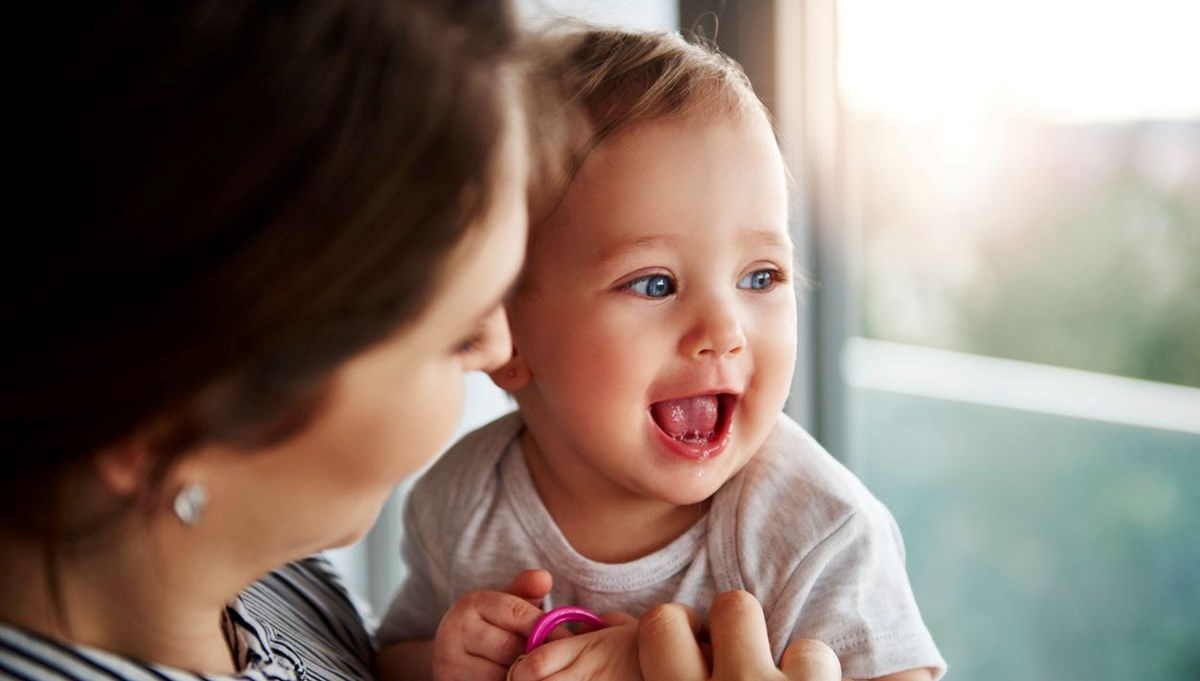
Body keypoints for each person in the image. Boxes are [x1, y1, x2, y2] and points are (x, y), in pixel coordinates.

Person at [0, 2, 842, 680]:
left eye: (763, 275)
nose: (492, 350)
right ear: (173, 408)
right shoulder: (456, 506)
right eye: (454, 328)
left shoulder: (266, 577)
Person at [377, 27, 947, 681]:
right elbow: (388, 658)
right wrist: (445, 661)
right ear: (504, 330)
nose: (723, 329)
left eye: (760, 277)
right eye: (654, 283)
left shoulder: (818, 531)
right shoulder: (462, 501)